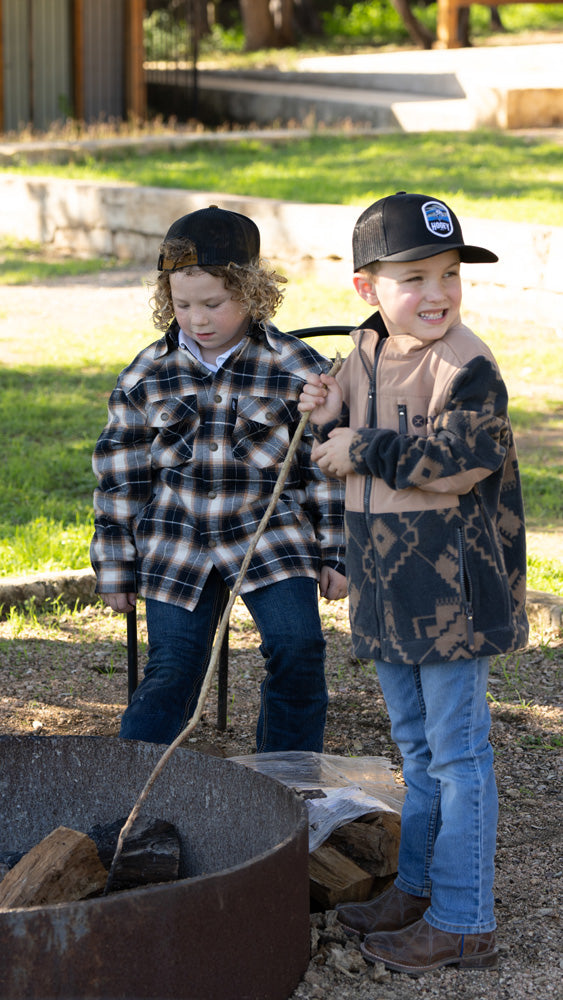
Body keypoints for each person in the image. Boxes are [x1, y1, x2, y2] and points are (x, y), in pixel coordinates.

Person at [298, 191, 528, 975]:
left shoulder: (467, 365)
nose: (436, 294)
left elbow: (461, 461)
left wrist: (359, 443)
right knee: (417, 751)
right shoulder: (364, 352)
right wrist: (325, 413)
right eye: (413, 278)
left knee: (458, 755)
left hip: (451, 594)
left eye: (448, 275)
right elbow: (338, 443)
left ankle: (463, 920)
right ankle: (420, 889)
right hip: (385, 588)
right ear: (367, 288)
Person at [91, 205, 346, 753]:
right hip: (174, 536)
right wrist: (115, 564)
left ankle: (285, 779)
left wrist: (335, 554)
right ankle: (134, 789)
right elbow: (119, 477)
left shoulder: (295, 367)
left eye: (213, 303)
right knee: (173, 666)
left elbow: (325, 464)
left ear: (253, 295)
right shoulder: (146, 374)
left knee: (299, 647)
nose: (197, 318)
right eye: (182, 305)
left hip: (267, 531)